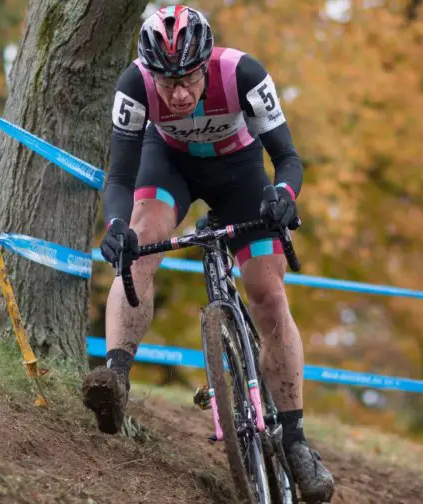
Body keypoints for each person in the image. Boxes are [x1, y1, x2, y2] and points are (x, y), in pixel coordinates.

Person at [82, 5, 334, 502]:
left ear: (206, 63)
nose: (176, 93)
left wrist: (283, 194)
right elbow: (118, 177)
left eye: (188, 79)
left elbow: (287, 158)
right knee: (139, 245)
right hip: (169, 165)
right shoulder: (134, 86)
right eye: (165, 81)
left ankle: (296, 439)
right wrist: (115, 226)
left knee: (268, 294)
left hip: (239, 173)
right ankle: (115, 377)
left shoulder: (242, 73)